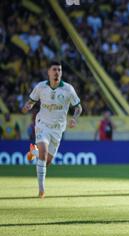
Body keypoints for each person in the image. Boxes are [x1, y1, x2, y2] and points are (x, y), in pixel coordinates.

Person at [22, 61, 83, 198]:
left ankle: (34, 152)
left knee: (46, 161)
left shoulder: (68, 89)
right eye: (54, 69)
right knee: (43, 154)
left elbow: (78, 107)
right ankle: (41, 190)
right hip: (43, 124)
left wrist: (74, 118)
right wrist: (28, 106)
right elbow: (31, 101)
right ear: (48, 72)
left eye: (59, 70)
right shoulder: (41, 87)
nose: (57, 72)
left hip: (57, 130)